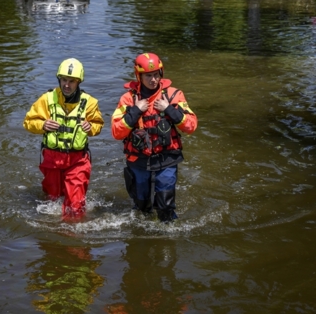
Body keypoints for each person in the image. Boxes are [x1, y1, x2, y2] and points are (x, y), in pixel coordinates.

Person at [111, 53, 197, 222]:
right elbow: (116, 131)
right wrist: (135, 111)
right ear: (139, 76)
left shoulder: (173, 96)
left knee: (165, 207)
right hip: (138, 160)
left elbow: (191, 126)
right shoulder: (128, 99)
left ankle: (167, 233)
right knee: (141, 206)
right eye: (148, 75)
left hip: (166, 158)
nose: (153, 79)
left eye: (156, 74)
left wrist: (170, 110)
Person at [23, 58, 103, 220]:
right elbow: (28, 122)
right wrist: (43, 124)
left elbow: (98, 125)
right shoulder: (47, 99)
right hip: (52, 159)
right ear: (59, 79)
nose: (67, 85)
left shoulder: (90, 102)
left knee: (75, 205)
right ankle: (55, 235)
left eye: (71, 81)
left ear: (78, 81)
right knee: (52, 200)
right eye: (64, 80)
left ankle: (73, 237)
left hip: (77, 160)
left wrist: (91, 128)